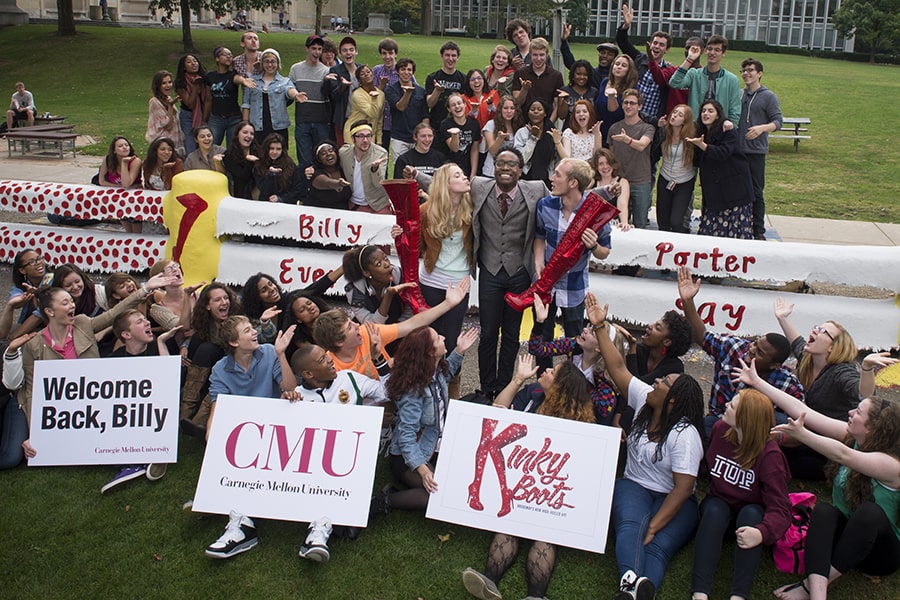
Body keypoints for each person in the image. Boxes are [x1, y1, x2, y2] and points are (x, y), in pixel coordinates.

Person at [732, 363, 900, 600]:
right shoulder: (855, 436)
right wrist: (757, 382)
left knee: (869, 512)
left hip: (879, 554)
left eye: (858, 412)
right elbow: (805, 412)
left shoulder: (892, 466)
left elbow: (843, 455)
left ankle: (810, 585)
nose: (851, 412)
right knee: (823, 511)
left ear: (873, 429)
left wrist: (802, 436)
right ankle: (816, 593)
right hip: (844, 542)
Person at [584, 291, 705, 600]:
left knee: (658, 544)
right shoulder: (643, 400)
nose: (655, 383)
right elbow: (618, 368)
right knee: (629, 525)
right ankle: (632, 584)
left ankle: (634, 589)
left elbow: (682, 488)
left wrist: (655, 526)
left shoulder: (685, 435)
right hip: (635, 485)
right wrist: (600, 327)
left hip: (675, 499)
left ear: (673, 400)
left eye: (662, 384)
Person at [1, 273, 177, 466]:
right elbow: (32, 391)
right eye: (65, 303)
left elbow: (113, 313)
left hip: (78, 405)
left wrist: (145, 289)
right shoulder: (34, 345)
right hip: (29, 407)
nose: (72, 306)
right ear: (50, 312)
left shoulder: (83, 323)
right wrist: (36, 434)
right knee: (11, 458)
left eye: (71, 301)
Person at [460, 355, 596, 600]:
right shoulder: (533, 394)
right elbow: (496, 411)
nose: (546, 371)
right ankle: (489, 581)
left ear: (560, 388)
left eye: (553, 372)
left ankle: (536, 596)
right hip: (517, 486)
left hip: (545, 492)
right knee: (508, 527)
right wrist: (517, 379)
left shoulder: (572, 423)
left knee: (545, 537)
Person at [285, 343, 390, 561]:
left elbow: (388, 392)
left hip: (355, 458)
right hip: (317, 465)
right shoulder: (298, 396)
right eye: (323, 359)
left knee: (348, 524)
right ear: (308, 373)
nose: (331, 360)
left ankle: (320, 531)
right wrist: (285, 406)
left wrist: (379, 361)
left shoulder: (349, 379)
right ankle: (320, 531)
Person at [203, 316, 296, 558]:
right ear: (233, 342)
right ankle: (240, 521)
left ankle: (239, 520)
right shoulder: (220, 370)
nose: (255, 332)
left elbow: (289, 387)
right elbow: (217, 407)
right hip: (246, 436)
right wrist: (211, 435)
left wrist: (281, 354)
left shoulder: (268, 352)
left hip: (277, 429)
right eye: (247, 331)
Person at [677, 267, 803, 437]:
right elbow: (702, 337)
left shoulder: (787, 383)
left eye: (760, 353)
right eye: (755, 344)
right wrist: (687, 301)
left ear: (775, 365)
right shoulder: (735, 348)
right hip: (718, 422)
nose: (751, 350)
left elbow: (799, 417)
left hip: (752, 436)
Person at [691, 389, 791, 600]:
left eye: (733, 406)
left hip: (749, 520)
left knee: (752, 514)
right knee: (715, 509)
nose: (726, 405)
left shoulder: (770, 455)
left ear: (746, 419)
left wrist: (762, 533)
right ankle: (700, 592)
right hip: (719, 509)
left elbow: (781, 509)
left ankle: (739, 595)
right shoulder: (720, 430)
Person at [371, 326, 479, 514]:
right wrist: (422, 470)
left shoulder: (435, 370)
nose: (444, 337)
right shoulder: (412, 393)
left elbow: (449, 372)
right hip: (409, 458)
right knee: (437, 496)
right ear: (430, 352)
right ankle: (384, 501)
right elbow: (406, 438)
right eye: (438, 338)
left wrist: (460, 350)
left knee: (459, 486)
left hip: (435, 446)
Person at [532, 159, 612, 371]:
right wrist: (538, 261)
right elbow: (539, 235)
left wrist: (594, 246)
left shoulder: (595, 211)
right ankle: (544, 381)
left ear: (573, 183)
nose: (552, 178)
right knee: (543, 336)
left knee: (577, 340)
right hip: (546, 284)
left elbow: (605, 252)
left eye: (557, 174)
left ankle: (573, 385)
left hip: (574, 287)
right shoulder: (545, 205)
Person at [312, 278, 471, 381]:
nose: (357, 325)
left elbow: (411, 325)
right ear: (339, 342)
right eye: (349, 328)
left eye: (350, 321)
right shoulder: (330, 366)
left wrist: (448, 304)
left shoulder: (368, 332)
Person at [414, 164, 476, 373]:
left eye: (463, 173)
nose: (465, 177)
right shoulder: (426, 211)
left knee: (451, 337)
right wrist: (399, 233)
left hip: (460, 282)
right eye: (457, 175)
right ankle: (424, 380)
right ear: (445, 184)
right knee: (430, 337)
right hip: (431, 279)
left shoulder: (472, 207)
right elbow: (418, 245)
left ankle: (451, 383)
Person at [529, 296, 622, 425]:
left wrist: (575, 387)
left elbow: (605, 409)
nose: (584, 330)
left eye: (592, 332)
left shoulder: (605, 374)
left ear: (601, 347)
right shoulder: (574, 345)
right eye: (588, 327)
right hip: (563, 405)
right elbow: (537, 349)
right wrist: (540, 322)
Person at [687, 99, 754, 239]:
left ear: (718, 115)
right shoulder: (700, 132)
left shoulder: (728, 131)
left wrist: (703, 146)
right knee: (709, 236)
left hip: (734, 191)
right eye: (703, 111)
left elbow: (722, 153)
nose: (706, 114)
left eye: (710, 111)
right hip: (714, 194)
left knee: (733, 237)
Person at [739, 58, 783, 240]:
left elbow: (778, 121)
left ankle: (758, 231)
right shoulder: (739, 94)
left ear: (759, 73)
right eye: (743, 70)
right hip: (737, 151)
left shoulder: (768, 96)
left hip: (756, 152)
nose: (746, 73)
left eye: (750, 70)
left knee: (756, 192)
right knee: (739, 191)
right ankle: (740, 225)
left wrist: (762, 128)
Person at [290, 35, 332, 197]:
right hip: (303, 121)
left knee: (322, 158)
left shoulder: (326, 71)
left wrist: (328, 82)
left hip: (321, 121)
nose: (317, 52)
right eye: (314, 48)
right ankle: (303, 193)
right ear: (307, 49)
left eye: (319, 49)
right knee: (305, 160)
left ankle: (320, 191)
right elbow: (289, 91)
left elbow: (330, 95)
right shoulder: (296, 69)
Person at [607, 88, 655, 229]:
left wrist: (626, 139)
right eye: (626, 103)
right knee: (619, 222)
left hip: (640, 181)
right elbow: (611, 157)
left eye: (632, 103)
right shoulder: (614, 128)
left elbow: (641, 145)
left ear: (639, 106)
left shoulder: (647, 128)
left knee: (640, 223)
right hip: (620, 181)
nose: (628, 106)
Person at [615, 4, 673, 121]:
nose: (657, 47)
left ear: (667, 50)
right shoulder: (639, 59)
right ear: (650, 44)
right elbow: (622, 42)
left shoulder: (667, 70)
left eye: (661, 45)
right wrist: (626, 26)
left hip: (652, 119)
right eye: (655, 43)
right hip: (631, 115)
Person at [669, 34, 742, 124]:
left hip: (719, 128)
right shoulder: (694, 74)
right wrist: (689, 59)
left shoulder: (732, 80)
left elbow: (735, 110)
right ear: (706, 51)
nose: (712, 53)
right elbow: (674, 83)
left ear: (723, 53)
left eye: (717, 50)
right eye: (710, 49)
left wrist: (730, 131)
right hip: (695, 126)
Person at [242, 48, 304, 151]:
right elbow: (246, 104)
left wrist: (296, 95)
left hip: (278, 127)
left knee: (279, 157)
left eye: (273, 61)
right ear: (262, 63)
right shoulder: (252, 81)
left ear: (278, 63)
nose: (270, 65)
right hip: (257, 127)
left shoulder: (284, 81)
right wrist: (245, 125)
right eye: (266, 61)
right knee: (258, 156)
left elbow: (290, 90)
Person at [342, 245, 411, 326]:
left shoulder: (400, 276)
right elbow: (373, 325)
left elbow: (410, 310)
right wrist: (388, 295)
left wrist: (398, 328)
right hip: (371, 331)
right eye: (378, 264)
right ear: (367, 273)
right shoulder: (355, 292)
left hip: (400, 325)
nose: (387, 264)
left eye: (385, 258)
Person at [655, 104, 697, 233]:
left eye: (680, 115)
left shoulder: (692, 136)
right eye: (674, 112)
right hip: (665, 178)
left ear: (685, 121)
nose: (674, 116)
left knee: (676, 221)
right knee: (663, 221)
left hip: (684, 181)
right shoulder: (663, 132)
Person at [203, 47, 256, 147]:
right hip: (216, 118)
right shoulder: (210, 76)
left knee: (233, 148)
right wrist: (204, 120)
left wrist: (244, 81)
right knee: (211, 146)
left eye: (230, 55)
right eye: (225, 54)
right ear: (217, 59)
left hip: (234, 118)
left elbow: (237, 79)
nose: (229, 57)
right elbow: (208, 99)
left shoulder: (233, 74)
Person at [338, 121, 391, 213]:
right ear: (353, 138)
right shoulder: (344, 153)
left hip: (377, 205)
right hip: (354, 205)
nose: (365, 140)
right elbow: (328, 162)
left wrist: (375, 169)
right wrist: (312, 169)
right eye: (361, 136)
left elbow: (378, 184)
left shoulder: (380, 153)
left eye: (368, 136)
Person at [2, 248, 53, 340]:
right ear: (22, 270)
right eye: (32, 262)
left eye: (39, 258)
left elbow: (40, 314)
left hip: (52, 329)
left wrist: (12, 338)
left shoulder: (53, 280)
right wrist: (10, 306)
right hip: (28, 328)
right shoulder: (23, 286)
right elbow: (15, 298)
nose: (38, 263)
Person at [385, 57, 428, 164]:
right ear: (397, 71)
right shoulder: (391, 89)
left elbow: (425, 115)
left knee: (418, 170)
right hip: (399, 138)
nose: (406, 72)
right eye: (403, 69)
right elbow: (400, 106)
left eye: (409, 70)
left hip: (416, 139)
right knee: (401, 170)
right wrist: (407, 93)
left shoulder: (421, 91)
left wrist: (424, 135)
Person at [98, 136, 143, 233]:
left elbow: (126, 183)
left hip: (134, 201)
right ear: (114, 150)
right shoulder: (108, 160)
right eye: (120, 146)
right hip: (119, 200)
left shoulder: (135, 161)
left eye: (126, 145)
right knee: (128, 231)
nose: (125, 147)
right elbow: (102, 181)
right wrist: (119, 187)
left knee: (136, 233)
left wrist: (124, 163)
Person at [512, 37, 563, 118]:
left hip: (546, 121)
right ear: (530, 55)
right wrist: (524, 89)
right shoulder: (520, 73)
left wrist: (549, 124)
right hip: (523, 122)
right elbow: (517, 103)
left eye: (542, 55)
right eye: (535, 55)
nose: (538, 59)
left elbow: (557, 106)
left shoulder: (556, 76)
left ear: (546, 55)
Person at [595, 54, 639, 145]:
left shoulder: (632, 88)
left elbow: (615, 112)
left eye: (623, 66)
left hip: (619, 133)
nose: (619, 67)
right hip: (600, 131)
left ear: (629, 70)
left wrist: (611, 97)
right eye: (617, 64)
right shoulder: (605, 82)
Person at [514, 98, 557, 187]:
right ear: (528, 113)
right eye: (532, 109)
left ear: (545, 113)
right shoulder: (521, 132)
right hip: (526, 177)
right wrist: (533, 138)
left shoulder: (553, 132)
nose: (536, 112)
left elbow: (557, 159)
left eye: (539, 109)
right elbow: (520, 159)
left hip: (548, 178)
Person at [560, 23, 618, 89]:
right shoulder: (592, 72)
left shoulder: (617, 75)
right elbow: (571, 63)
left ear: (615, 58)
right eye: (602, 53)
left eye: (610, 54)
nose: (605, 56)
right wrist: (564, 41)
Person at [438, 93, 481, 180]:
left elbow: (474, 149)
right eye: (453, 105)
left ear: (465, 105)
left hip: (467, 166)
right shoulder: (445, 124)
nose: (457, 107)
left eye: (459, 103)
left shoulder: (474, 124)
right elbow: (454, 148)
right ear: (449, 109)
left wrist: (473, 173)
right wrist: (455, 134)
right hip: (449, 166)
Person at [326, 36, 360, 145]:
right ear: (340, 54)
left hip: (360, 119)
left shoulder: (362, 70)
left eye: (351, 50)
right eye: (344, 51)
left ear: (356, 52)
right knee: (344, 151)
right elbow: (333, 96)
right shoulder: (335, 71)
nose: (348, 53)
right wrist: (342, 87)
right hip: (343, 119)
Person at [174, 53, 209, 155]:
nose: (193, 64)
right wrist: (195, 87)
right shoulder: (181, 82)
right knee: (191, 148)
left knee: (206, 146)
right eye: (189, 62)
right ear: (184, 67)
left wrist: (205, 119)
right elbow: (190, 104)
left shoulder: (205, 79)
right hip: (188, 117)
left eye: (195, 61)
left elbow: (208, 99)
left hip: (205, 114)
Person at [254, 133, 303, 204]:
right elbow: (263, 189)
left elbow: (297, 189)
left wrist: (281, 199)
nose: (274, 152)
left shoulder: (290, 165)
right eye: (271, 148)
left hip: (286, 204)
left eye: (278, 149)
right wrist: (271, 175)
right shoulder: (260, 165)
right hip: (266, 204)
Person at [239, 273, 287, 345]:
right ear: (256, 297)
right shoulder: (250, 321)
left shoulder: (287, 302)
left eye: (270, 284)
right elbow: (266, 338)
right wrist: (265, 322)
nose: (271, 289)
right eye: (264, 290)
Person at [425, 41, 466, 126]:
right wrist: (437, 91)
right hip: (437, 124)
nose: (450, 59)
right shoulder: (432, 78)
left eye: (453, 55)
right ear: (441, 56)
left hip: (456, 124)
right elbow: (430, 104)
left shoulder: (464, 79)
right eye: (447, 55)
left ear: (458, 57)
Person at [145, 70, 184, 156]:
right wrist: (170, 106)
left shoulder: (168, 98)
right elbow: (168, 125)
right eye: (164, 83)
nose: (168, 85)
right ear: (158, 86)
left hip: (175, 144)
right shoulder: (154, 102)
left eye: (170, 82)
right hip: (164, 146)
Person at [343, 64, 385, 145]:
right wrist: (374, 98)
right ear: (359, 80)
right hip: (354, 133)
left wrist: (379, 140)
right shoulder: (357, 94)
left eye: (368, 72)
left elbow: (379, 119)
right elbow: (372, 113)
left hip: (369, 135)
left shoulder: (381, 94)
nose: (366, 74)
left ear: (373, 74)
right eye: (362, 74)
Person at [481, 95, 521, 178]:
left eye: (512, 108)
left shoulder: (518, 127)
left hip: (511, 174)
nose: (509, 111)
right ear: (500, 110)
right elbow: (492, 151)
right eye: (506, 108)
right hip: (491, 172)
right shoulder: (491, 124)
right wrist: (500, 139)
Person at [592, 148, 632, 230]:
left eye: (608, 163)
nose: (605, 167)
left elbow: (622, 204)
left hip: (614, 224)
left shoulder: (622, 182)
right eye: (601, 164)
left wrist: (624, 222)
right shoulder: (592, 182)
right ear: (596, 166)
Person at [372, 38, 401, 151]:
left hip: (396, 120)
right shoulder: (377, 71)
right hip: (381, 120)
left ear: (396, 54)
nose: (387, 57)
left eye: (390, 53)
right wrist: (381, 85)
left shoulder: (402, 71)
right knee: (380, 152)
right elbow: (372, 95)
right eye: (384, 53)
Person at [306, 140, 351, 209]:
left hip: (343, 215)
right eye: (323, 153)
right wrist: (338, 184)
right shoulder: (315, 174)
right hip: (321, 216)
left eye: (331, 151)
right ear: (319, 159)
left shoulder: (344, 169)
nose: (328, 154)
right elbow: (327, 182)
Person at [556, 59, 599, 132]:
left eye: (585, 74)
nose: (582, 77)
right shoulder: (565, 90)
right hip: (569, 131)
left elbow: (595, 115)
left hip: (588, 132)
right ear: (573, 75)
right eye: (578, 74)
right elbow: (561, 116)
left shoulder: (594, 92)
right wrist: (565, 100)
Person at [222, 121, 259, 200]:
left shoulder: (258, 151)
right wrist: (249, 161)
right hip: (238, 194)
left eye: (252, 134)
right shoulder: (228, 155)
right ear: (237, 134)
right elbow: (243, 176)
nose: (249, 136)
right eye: (245, 132)